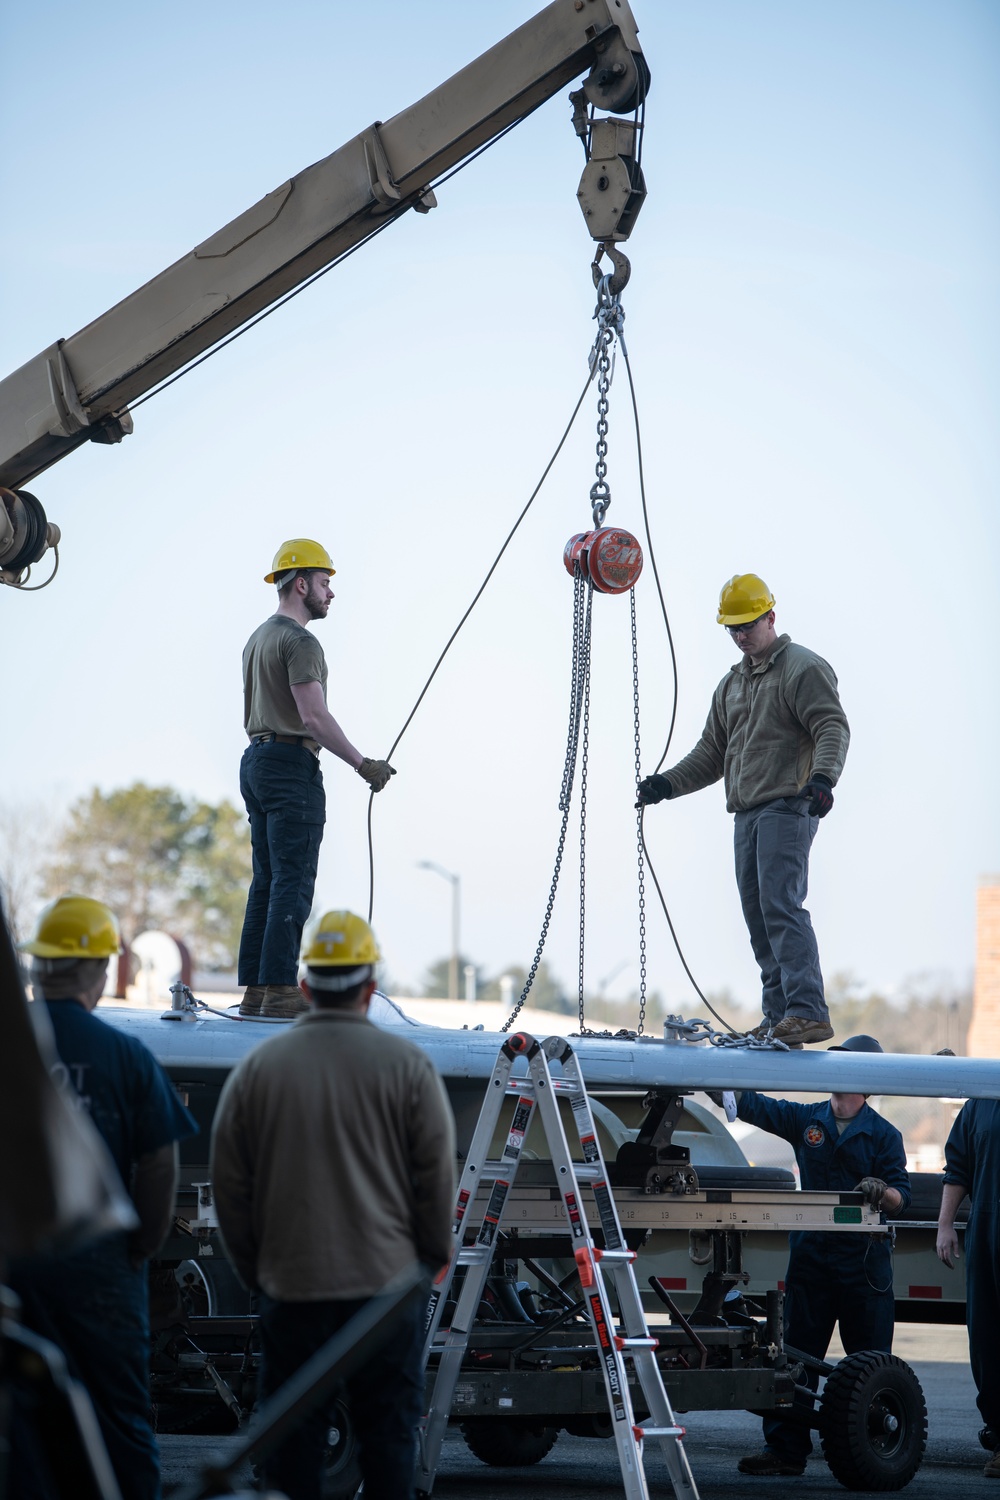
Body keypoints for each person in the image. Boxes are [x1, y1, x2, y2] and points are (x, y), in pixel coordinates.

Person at [211, 910, 455, 1500]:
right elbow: (435, 1181)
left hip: (292, 1288)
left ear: (304, 987)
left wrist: (259, 1271)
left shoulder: (258, 1070)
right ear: (370, 987)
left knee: (291, 1452)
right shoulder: (409, 1068)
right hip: (386, 1291)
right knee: (389, 1441)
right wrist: (430, 1259)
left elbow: (230, 1190)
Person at [10, 895, 197, 1500]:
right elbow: (160, 1161)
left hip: (13, 1268)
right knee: (120, 1419)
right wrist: (142, 1244)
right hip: (101, 1266)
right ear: (96, 969)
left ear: (40, 967)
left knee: (19, 1420)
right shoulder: (125, 1056)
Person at [638, 573, 850, 1047]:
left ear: (770, 617)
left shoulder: (801, 668)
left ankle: (807, 1010)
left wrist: (823, 780)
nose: (739, 636)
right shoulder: (731, 685)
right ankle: (779, 1016)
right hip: (748, 813)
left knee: (780, 905)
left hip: (786, 805)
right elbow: (711, 753)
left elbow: (831, 726)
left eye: (747, 625)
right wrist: (666, 785)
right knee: (758, 915)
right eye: (731, 629)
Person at [718, 1034, 910, 1477]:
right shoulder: (809, 1120)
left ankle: (872, 1448)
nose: (836, 1078)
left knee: (870, 1364)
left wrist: (885, 1195)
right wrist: (719, 1081)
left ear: (867, 1082)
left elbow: (903, 1195)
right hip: (812, 1259)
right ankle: (785, 1451)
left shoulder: (885, 1136)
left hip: (864, 1265)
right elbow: (761, 1108)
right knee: (796, 1354)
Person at [237, 539, 396, 1020]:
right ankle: (283, 990)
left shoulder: (258, 637)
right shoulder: (300, 642)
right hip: (289, 767)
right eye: (325, 583)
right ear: (301, 583)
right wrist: (362, 763)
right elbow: (313, 717)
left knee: (266, 879)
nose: (331, 593)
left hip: (256, 762)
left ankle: (258, 991)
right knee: (293, 881)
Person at [936, 1097, 1000, 1478]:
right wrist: (945, 1225)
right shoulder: (980, 1101)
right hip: (987, 1228)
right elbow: (957, 1168)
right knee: (987, 1339)